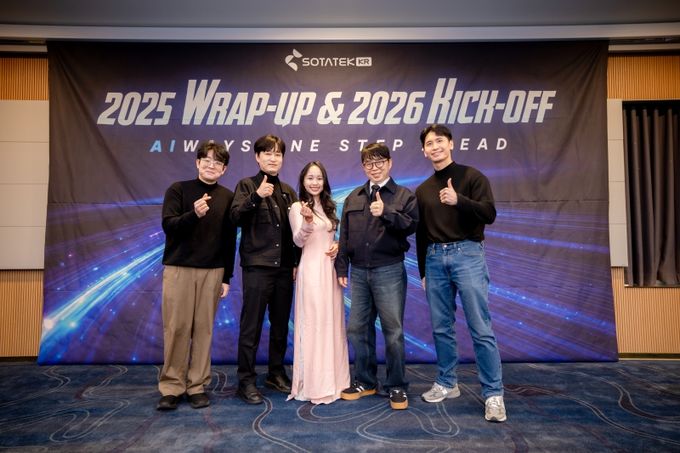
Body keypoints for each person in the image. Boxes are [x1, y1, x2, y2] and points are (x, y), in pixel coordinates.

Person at [415, 124, 506, 422]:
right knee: (441, 327)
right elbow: (421, 233)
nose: (435, 147)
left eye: (439, 141)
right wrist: (423, 271)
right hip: (434, 259)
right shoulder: (423, 189)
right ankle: (447, 382)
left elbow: (489, 214)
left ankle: (493, 394)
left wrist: (459, 201)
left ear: (451, 143)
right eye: (429, 143)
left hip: (467, 254)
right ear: (423, 151)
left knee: (480, 326)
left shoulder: (472, 177)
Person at [335, 142, 419, 410]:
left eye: (379, 162)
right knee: (357, 328)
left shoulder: (403, 195)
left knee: (393, 331)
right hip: (359, 272)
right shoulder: (355, 196)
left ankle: (397, 385)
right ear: (363, 167)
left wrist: (387, 212)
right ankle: (366, 380)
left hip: (389, 270)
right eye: (369, 163)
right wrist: (341, 267)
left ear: (390, 163)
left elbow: (411, 226)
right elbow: (344, 235)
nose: (374, 167)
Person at [157, 140, 237, 411]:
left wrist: (226, 277)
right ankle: (172, 386)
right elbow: (169, 225)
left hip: (213, 271)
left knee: (204, 329)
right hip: (179, 268)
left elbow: (229, 240)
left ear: (224, 169)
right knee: (177, 328)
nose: (211, 165)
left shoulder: (227, 197)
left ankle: (197, 386)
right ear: (197, 162)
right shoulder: (178, 189)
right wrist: (194, 214)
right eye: (207, 160)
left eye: (218, 162)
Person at [230, 134, 299, 405]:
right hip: (257, 267)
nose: (273, 158)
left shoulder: (289, 191)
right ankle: (246, 380)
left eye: (278, 154)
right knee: (252, 325)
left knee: (281, 324)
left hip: (284, 269)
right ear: (257, 157)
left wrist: (296, 262)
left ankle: (275, 372)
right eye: (267, 153)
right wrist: (256, 197)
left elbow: (296, 233)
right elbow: (235, 217)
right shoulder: (247, 185)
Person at [287, 161, 350, 404]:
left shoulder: (329, 206)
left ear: (325, 181)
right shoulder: (297, 207)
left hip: (330, 272)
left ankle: (336, 381)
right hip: (312, 272)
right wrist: (307, 221)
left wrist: (337, 245)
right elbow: (298, 241)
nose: (315, 182)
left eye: (319, 178)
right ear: (303, 181)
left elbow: (332, 236)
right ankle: (314, 384)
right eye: (310, 178)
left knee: (331, 324)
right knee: (314, 325)